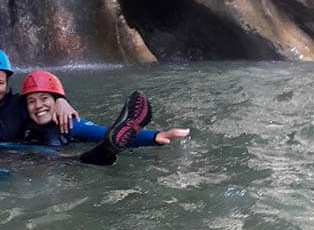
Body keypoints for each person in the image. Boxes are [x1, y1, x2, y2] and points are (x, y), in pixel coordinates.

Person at [17, 70, 190, 166]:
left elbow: (103, 133)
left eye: (44, 98)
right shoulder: (24, 126)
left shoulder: (69, 123)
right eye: (31, 101)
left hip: (71, 163)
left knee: (78, 157)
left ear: (58, 102)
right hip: (39, 161)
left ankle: (102, 152)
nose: (38, 105)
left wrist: (155, 137)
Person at [0, 46, 77, 142]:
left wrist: (61, 99)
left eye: (0, 82)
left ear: (7, 83)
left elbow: (43, 101)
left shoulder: (20, 104)